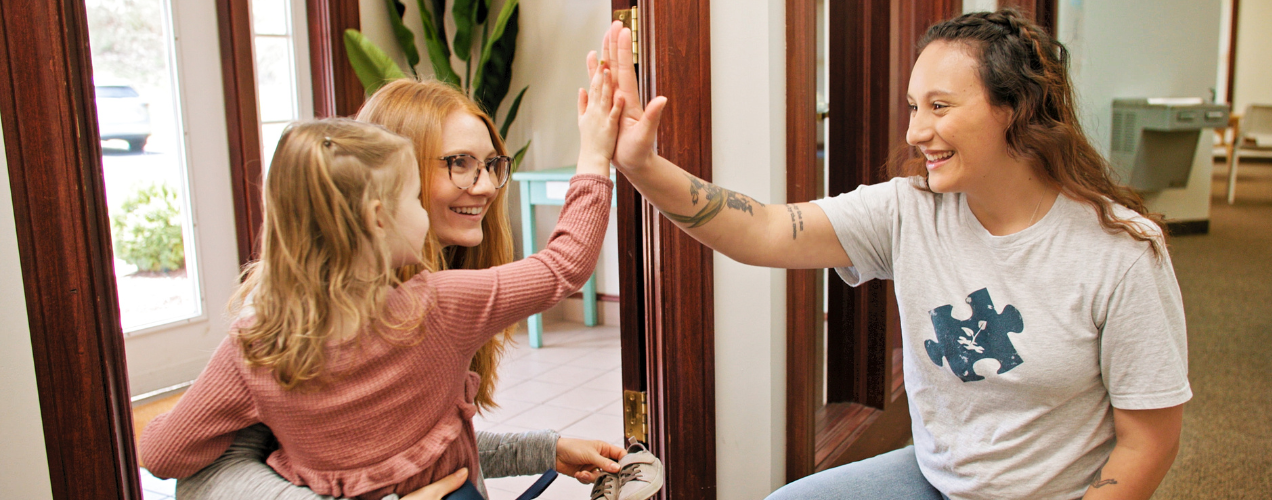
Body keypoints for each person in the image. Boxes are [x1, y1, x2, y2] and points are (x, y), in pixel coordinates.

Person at [594, 9, 1190, 500]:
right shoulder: (909, 210)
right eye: (913, 106)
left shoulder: (1121, 251)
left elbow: (1148, 442)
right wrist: (643, 168)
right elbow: (766, 231)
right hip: (936, 481)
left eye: (939, 106)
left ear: (1017, 108)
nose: (914, 132)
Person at [139, 63, 624, 500]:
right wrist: (595, 152)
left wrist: (545, 450)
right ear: (377, 212)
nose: (484, 186)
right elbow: (565, 264)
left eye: (491, 164)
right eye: (456, 164)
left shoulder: (259, 344)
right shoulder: (435, 307)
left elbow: (407, 453)